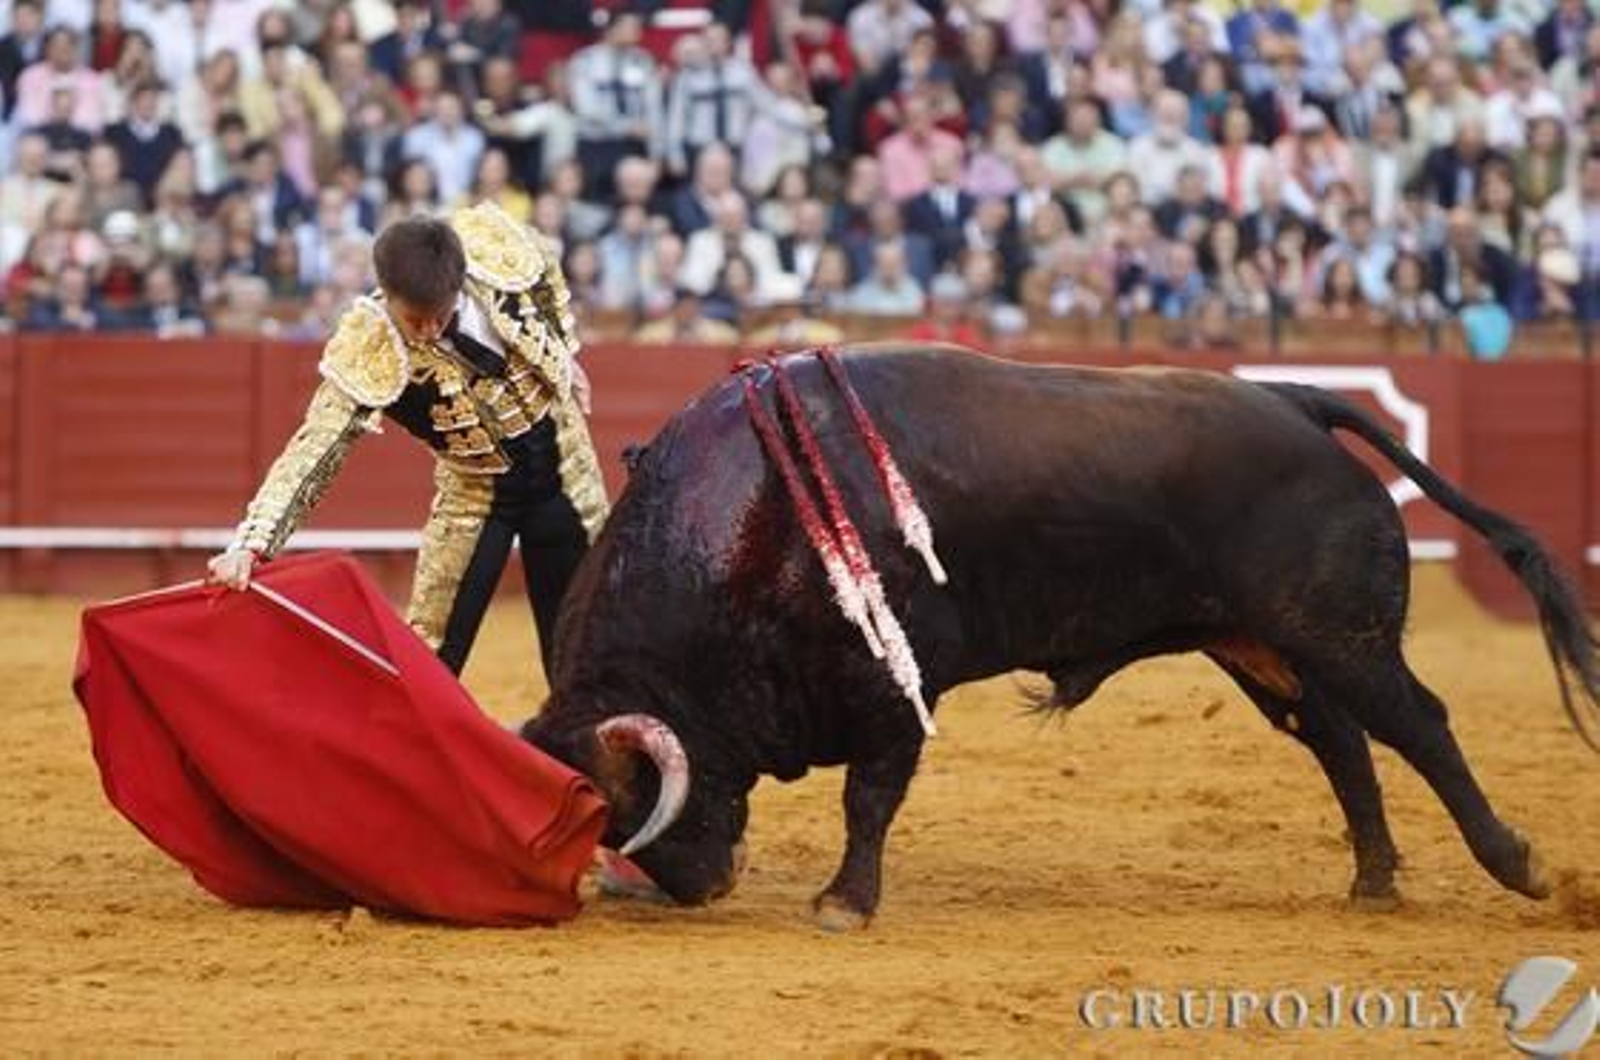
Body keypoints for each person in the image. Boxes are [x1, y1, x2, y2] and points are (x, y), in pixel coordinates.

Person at [206, 204, 608, 677]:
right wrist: (252, 545)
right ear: (386, 295)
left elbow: (543, 272)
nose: (431, 331)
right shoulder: (369, 343)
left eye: (442, 315)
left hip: (567, 472)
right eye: (415, 320)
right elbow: (314, 450)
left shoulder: (496, 251)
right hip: (477, 497)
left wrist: (562, 353)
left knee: (583, 659)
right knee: (428, 663)